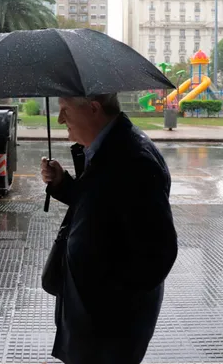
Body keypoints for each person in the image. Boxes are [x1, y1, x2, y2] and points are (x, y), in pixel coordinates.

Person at [40, 93, 178, 364]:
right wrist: (63, 184)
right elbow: (103, 205)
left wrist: (107, 299)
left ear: (94, 108)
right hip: (93, 320)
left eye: (65, 110)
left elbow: (159, 253)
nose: (60, 119)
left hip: (108, 330)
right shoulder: (107, 150)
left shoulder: (133, 161)